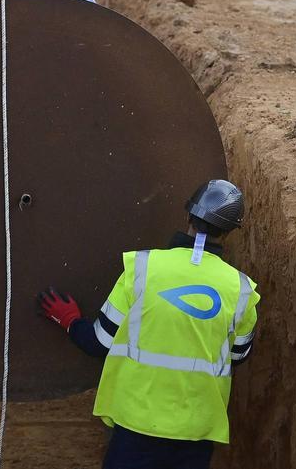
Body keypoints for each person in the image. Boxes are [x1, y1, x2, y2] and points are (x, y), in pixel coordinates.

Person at [38, 180, 259, 469]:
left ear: (187, 216)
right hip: (196, 432)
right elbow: (237, 356)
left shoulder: (142, 269)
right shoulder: (241, 290)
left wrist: (69, 320)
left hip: (137, 425)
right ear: (229, 232)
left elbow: (99, 342)